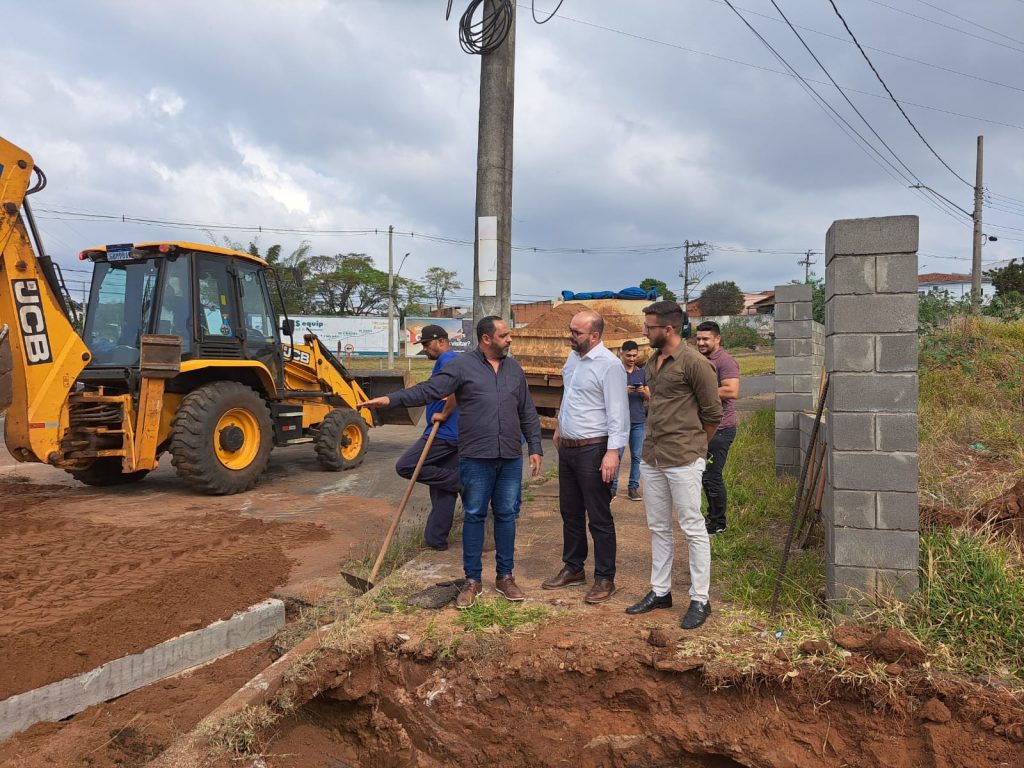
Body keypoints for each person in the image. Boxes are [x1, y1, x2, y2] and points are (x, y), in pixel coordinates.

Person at [359, 316, 542, 610]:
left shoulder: (513, 369)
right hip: (475, 456)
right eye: (504, 335)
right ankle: (472, 581)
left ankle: (505, 577)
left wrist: (535, 446)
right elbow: (428, 390)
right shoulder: (461, 366)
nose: (510, 340)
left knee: (507, 514)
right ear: (486, 339)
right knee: (474, 514)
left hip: (509, 456)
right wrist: (390, 400)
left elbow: (527, 410)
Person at [625, 300, 722, 630]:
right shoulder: (654, 361)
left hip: (683, 458)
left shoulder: (694, 363)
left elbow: (713, 414)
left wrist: (696, 450)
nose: (644, 332)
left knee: (692, 528)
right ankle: (661, 591)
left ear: (667, 329)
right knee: (658, 527)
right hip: (652, 457)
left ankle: (700, 599)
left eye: (649, 327)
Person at [542, 310, 629, 604]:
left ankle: (605, 578)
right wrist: (558, 426)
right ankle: (574, 568)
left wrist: (613, 452)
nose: (571, 336)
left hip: (594, 450)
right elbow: (570, 396)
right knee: (570, 512)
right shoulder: (573, 359)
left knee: (599, 517)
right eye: (570, 330)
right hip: (567, 447)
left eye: (576, 332)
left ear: (594, 336)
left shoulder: (609, 366)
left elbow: (618, 412)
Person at [394, 324, 461, 551]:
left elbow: (456, 390)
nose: (424, 349)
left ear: (441, 341)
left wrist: (445, 412)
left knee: (406, 466)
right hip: (446, 433)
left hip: (445, 434)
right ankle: (436, 541)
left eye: (427, 344)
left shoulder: (450, 360)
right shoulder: (445, 362)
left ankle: (464, 483)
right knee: (443, 490)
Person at [695, 321, 741, 535]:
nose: (701, 343)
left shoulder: (725, 361)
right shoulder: (701, 360)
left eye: (705, 339)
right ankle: (710, 518)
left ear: (717, 339)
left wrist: (699, 389)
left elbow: (731, 391)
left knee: (712, 476)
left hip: (721, 429)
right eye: (698, 339)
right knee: (703, 475)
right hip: (705, 429)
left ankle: (718, 523)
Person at [609, 340, 648, 502]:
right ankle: (612, 488)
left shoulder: (642, 373)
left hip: (638, 420)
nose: (631, 358)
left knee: (637, 456)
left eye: (634, 355)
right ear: (621, 354)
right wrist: (623, 390)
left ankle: (633, 488)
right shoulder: (616, 373)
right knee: (616, 455)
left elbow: (650, 397)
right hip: (620, 421)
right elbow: (608, 396)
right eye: (628, 355)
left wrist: (643, 391)